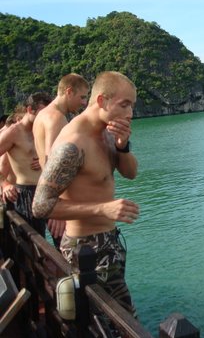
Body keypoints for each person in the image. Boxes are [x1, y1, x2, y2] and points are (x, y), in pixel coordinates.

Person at [32, 71, 139, 317]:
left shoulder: (107, 133)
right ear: (102, 101)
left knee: (110, 323)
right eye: (124, 105)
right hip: (86, 249)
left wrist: (123, 146)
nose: (130, 113)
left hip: (109, 241)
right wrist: (102, 208)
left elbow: (131, 173)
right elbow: (40, 206)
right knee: (122, 323)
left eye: (132, 106)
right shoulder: (72, 144)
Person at [33, 73, 90, 248]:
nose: (84, 103)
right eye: (81, 97)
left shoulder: (42, 115)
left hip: (48, 194)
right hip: (58, 199)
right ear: (69, 91)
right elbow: (54, 163)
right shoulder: (57, 118)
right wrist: (58, 209)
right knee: (74, 257)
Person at [0, 92, 52, 236]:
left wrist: (43, 162)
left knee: (61, 238)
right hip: (26, 194)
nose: (45, 118)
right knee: (34, 242)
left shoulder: (46, 130)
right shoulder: (14, 133)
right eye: (42, 113)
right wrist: (4, 184)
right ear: (30, 110)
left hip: (48, 190)